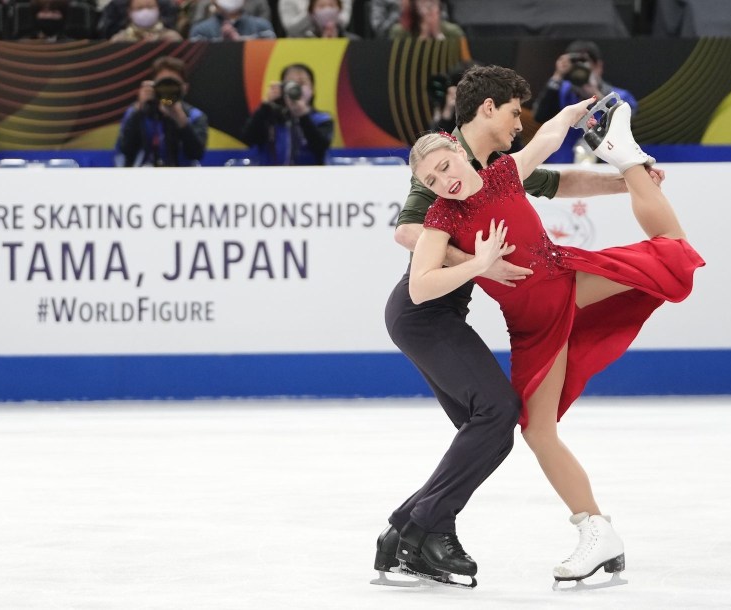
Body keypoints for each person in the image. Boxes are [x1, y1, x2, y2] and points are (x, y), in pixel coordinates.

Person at [408, 68, 704, 586]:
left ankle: (625, 153)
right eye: (431, 180)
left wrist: (571, 115)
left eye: (443, 167)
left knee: (671, 255)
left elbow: (545, 146)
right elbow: (420, 286)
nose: (442, 181)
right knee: (538, 431)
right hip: (532, 330)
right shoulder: (442, 218)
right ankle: (598, 531)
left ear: (456, 151)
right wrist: (477, 265)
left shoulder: (502, 172)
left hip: (567, 282)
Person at [532, 40, 638, 164]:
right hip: (562, 165)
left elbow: (627, 125)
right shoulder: (561, 91)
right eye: (575, 64)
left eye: (584, 63)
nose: (580, 68)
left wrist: (597, 95)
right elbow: (540, 116)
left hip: (605, 165)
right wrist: (557, 75)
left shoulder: (619, 96)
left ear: (598, 66)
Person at [116, 56, 208, 167]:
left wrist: (182, 122)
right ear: (153, 86)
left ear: (184, 88)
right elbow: (125, 150)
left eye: (172, 84)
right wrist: (139, 110)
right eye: (163, 84)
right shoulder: (136, 111)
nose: (167, 90)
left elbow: (196, 154)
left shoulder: (195, 115)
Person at [241, 63, 332, 166]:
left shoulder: (322, 119)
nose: (296, 88)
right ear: (283, 88)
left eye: (302, 83)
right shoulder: (269, 118)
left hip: (309, 179)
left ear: (312, 89)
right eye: (291, 83)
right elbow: (248, 138)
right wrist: (266, 105)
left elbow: (320, 147)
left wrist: (302, 115)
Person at [187, 0, 274, 40]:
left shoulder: (263, 27)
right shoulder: (200, 31)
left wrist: (239, 42)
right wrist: (223, 44)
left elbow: (270, 58)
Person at [109, 0, 181, 42]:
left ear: (158, 9)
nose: (145, 12)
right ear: (129, 12)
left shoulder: (171, 38)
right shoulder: (120, 40)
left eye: (150, 7)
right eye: (139, 8)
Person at [278, 0, 351, 37]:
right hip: (299, 44)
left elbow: (344, 21)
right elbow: (290, 29)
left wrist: (331, 14)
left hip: (338, 40)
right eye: (322, 7)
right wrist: (311, 12)